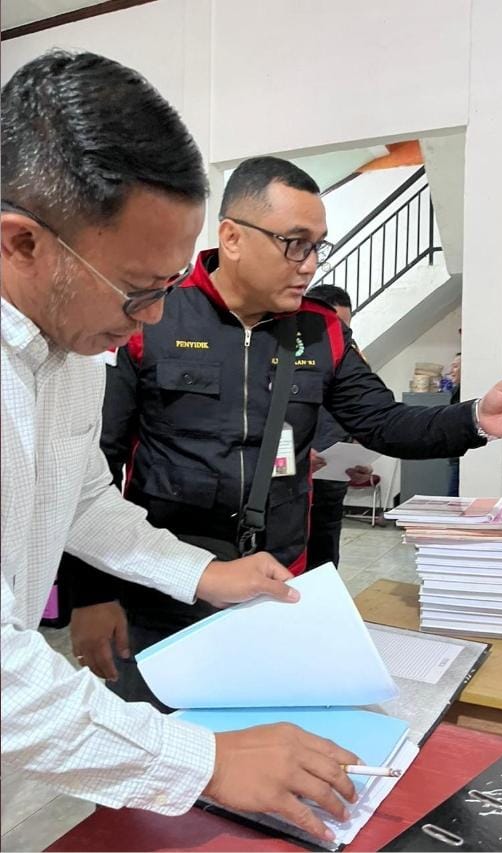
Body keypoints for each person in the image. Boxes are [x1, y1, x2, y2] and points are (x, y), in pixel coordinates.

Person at [1, 51, 361, 843]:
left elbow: (81, 496)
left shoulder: (70, 350)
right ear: (22, 243)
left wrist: (201, 572)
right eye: (139, 289)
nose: (158, 317)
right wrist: (202, 759)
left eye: (169, 285)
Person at [64, 154, 502, 705]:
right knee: (159, 738)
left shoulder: (320, 330)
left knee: (262, 734)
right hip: (163, 586)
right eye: (294, 243)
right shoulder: (154, 317)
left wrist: (476, 417)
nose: (309, 264)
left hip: (277, 583)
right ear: (232, 237)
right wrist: (88, 595)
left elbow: (384, 422)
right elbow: (95, 464)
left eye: (318, 246)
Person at [305, 284, 373, 569]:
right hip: (289, 485)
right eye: (334, 327)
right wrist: (294, 456)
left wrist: (359, 454)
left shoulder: (352, 358)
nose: (340, 335)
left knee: (325, 560)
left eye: (346, 328)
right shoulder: (281, 352)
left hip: (332, 481)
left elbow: (361, 412)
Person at [447, 353, 462, 496]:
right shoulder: (456, 391)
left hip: (461, 456)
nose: (451, 371)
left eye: (455, 366)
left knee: (453, 498)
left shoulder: (464, 393)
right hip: (455, 453)